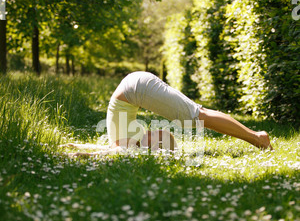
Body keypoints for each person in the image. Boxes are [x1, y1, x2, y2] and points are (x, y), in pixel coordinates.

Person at [63, 71, 273, 157]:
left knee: (197, 116)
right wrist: (83, 147)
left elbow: (116, 152)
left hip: (136, 89)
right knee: (199, 114)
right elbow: (113, 150)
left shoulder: (125, 144)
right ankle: (257, 136)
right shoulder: (127, 140)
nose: (153, 142)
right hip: (134, 86)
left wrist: (86, 153)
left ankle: (258, 138)